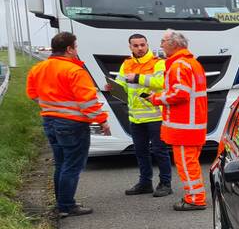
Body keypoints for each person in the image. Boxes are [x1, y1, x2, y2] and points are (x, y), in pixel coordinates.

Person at [25, 32, 111, 218]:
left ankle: (62, 203)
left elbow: (32, 94)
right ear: (69, 49)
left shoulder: (38, 68)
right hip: (72, 124)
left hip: (50, 121)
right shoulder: (75, 71)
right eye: (75, 47)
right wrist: (102, 120)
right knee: (72, 165)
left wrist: (52, 106)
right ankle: (66, 206)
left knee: (61, 164)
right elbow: (87, 102)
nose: (76, 50)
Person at [146, 30, 208, 210]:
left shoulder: (179, 65)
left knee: (186, 164)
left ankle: (195, 199)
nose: (160, 45)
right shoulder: (192, 63)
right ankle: (196, 196)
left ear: (174, 44)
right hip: (194, 124)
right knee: (191, 163)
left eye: (163, 41)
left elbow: (180, 94)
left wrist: (156, 98)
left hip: (183, 127)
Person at [108, 33, 172, 197]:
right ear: (130, 47)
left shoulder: (158, 63)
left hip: (156, 116)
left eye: (142, 45)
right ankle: (145, 183)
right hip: (135, 117)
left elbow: (161, 83)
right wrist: (113, 87)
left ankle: (165, 184)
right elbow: (122, 85)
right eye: (136, 45)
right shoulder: (127, 63)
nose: (140, 48)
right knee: (141, 152)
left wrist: (138, 78)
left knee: (160, 151)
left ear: (147, 45)